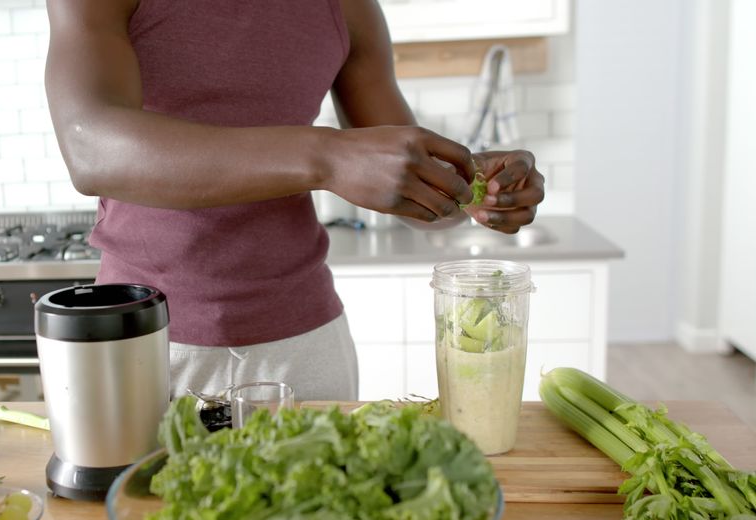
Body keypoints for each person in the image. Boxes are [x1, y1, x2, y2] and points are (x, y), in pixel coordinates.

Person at [44, 0, 546, 401]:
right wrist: (327, 155)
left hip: (306, 347)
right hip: (145, 344)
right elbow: (90, 148)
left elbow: (418, 189)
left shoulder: (348, 7)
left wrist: (477, 187)